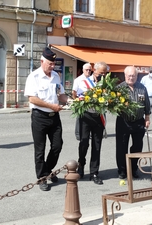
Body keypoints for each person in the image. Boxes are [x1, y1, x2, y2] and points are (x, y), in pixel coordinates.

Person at [24, 47, 68, 191]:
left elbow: (61, 95)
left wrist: (70, 101)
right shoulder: (34, 77)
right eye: (50, 63)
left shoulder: (56, 76)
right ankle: (42, 178)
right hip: (40, 117)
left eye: (53, 63)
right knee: (40, 149)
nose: (52, 66)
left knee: (57, 145)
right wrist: (51, 106)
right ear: (42, 61)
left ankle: (47, 170)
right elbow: (33, 99)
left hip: (54, 116)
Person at [116, 66, 151, 179]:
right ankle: (122, 171)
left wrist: (147, 118)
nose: (131, 77)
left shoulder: (142, 88)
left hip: (138, 121)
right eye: (129, 75)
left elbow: (147, 104)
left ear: (137, 76)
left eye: (133, 75)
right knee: (121, 147)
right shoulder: (119, 89)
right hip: (123, 121)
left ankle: (133, 169)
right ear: (125, 76)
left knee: (137, 146)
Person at [76, 61, 108, 185]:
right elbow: (82, 96)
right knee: (84, 142)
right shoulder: (84, 82)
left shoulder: (105, 84)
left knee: (97, 145)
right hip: (86, 116)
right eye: (101, 73)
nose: (103, 75)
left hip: (98, 117)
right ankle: (81, 166)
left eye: (105, 73)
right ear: (94, 71)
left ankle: (94, 172)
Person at [72, 63, 92, 140]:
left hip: (90, 102)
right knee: (79, 118)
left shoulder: (92, 79)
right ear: (83, 70)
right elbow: (74, 92)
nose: (88, 71)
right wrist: (76, 101)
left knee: (88, 118)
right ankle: (78, 134)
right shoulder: (78, 80)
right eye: (86, 70)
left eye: (90, 70)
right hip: (81, 101)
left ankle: (87, 133)